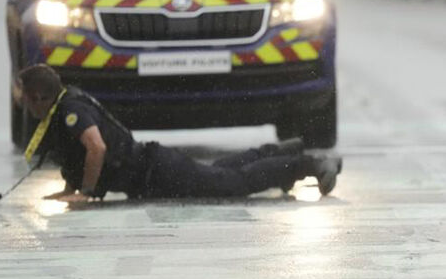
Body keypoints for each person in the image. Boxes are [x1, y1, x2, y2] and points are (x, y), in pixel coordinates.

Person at [18, 64, 340, 202]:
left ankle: (309, 164)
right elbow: (77, 153)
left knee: (232, 184)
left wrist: (85, 193)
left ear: (38, 97)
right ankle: (281, 152)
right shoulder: (64, 105)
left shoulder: (71, 112)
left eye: (23, 95)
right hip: (154, 166)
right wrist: (69, 188)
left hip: (155, 173)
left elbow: (96, 148)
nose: (20, 101)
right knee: (221, 172)